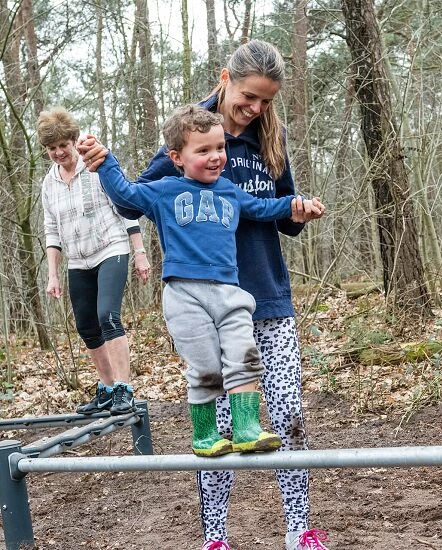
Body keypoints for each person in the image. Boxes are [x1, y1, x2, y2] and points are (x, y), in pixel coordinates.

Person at [81, 39, 331, 550]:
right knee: (219, 422)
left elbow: (284, 215)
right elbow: (135, 200)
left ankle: (298, 528)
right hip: (204, 300)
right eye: (248, 96)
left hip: (266, 294)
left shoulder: (270, 138)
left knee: (287, 414)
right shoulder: (194, 131)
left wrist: (299, 210)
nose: (255, 108)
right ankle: (215, 537)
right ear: (224, 78)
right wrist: (105, 164)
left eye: (266, 100)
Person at [81, 104, 324, 459]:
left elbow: (262, 208)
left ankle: (247, 428)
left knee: (244, 356)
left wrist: (296, 205)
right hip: (185, 295)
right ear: (177, 157)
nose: (216, 157)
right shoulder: (164, 190)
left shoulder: (229, 191)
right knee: (207, 368)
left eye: (220, 148)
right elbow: (126, 195)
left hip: (230, 291)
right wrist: (106, 162)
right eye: (204, 150)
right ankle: (205, 434)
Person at [37, 106, 151, 417]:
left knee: (107, 316)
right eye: (52, 148)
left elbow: (126, 208)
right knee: (86, 325)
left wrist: (140, 252)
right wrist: (53, 274)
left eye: (63, 145)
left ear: (74, 140)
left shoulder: (97, 168)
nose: (59, 152)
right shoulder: (49, 183)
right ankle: (107, 387)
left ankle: (124, 388)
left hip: (110, 248)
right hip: (78, 259)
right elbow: (51, 230)